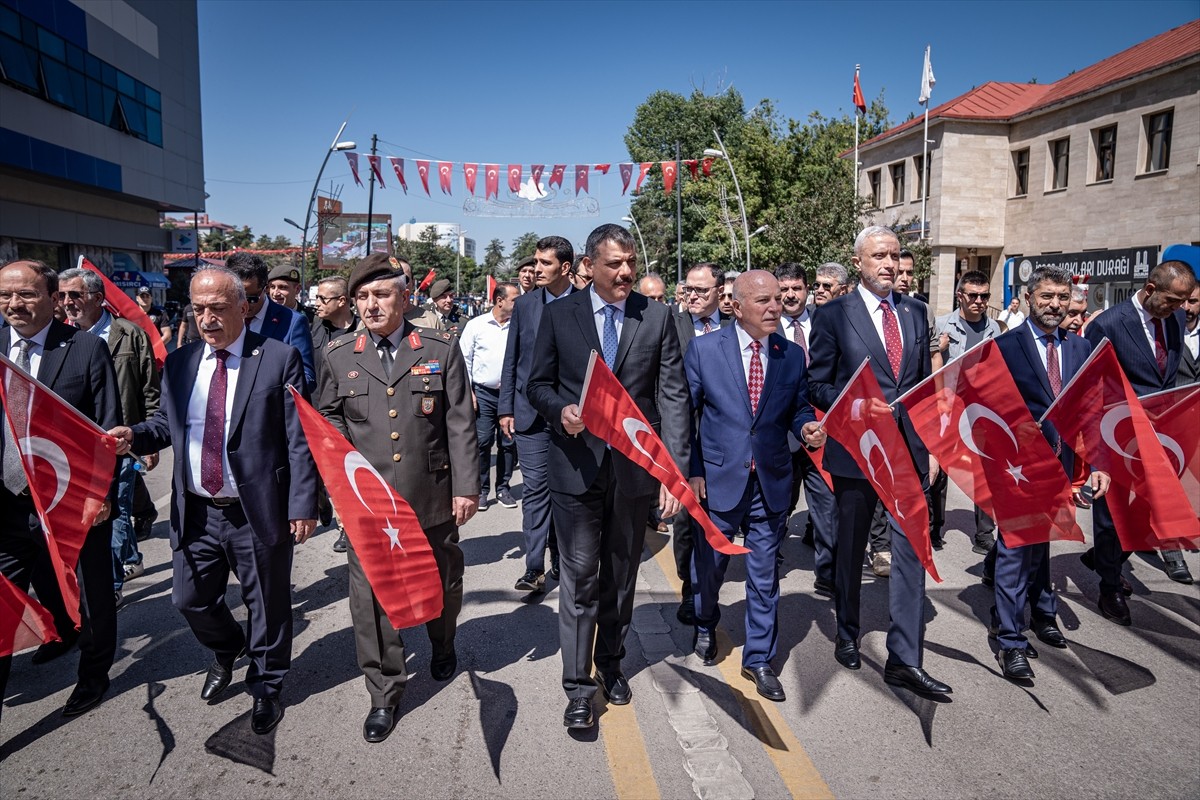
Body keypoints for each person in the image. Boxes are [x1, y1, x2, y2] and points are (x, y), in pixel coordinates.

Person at [108, 266, 317, 735]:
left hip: (256, 507)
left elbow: (297, 437)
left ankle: (267, 686)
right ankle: (227, 647)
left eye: (218, 308)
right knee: (189, 599)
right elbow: (167, 423)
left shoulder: (278, 358)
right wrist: (135, 436)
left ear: (243, 308)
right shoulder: (181, 362)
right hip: (197, 509)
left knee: (268, 603)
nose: (207, 319)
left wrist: (303, 503)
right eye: (198, 309)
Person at [527, 223, 688, 730]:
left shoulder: (657, 317)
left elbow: (673, 397)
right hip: (575, 468)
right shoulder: (558, 316)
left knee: (621, 575)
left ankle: (611, 666)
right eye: (614, 264)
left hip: (635, 472)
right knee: (579, 578)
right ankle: (577, 687)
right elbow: (537, 385)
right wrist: (562, 411)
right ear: (589, 268)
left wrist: (673, 473)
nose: (625, 272)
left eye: (630, 262)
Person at [318, 253, 477, 743]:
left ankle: (442, 640)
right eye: (362, 296)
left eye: (381, 294)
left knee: (443, 578)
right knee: (369, 598)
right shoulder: (338, 354)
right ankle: (384, 691)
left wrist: (467, 486)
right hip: (369, 504)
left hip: (430, 493)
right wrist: (342, 483)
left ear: (404, 297)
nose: (370, 304)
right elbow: (329, 420)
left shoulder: (439, 346)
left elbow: (458, 420)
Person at [808, 226, 951, 696]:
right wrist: (853, 404)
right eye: (879, 256)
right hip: (856, 451)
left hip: (907, 452)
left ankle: (905, 657)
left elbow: (920, 387)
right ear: (859, 262)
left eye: (894, 256)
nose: (889, 264)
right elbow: (817, 384)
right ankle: (847, 633)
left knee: (912, 550)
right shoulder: (833, 315)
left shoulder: (915, 312)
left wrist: (930, 448)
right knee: (849, 551)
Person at [686, 271, 825, 701]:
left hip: (771, 478)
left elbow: (799, 408)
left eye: (779, 300)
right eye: (763, 300)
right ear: (737, 304)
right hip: (718, 478)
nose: (774, 307)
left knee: (764, 574)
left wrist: (807, 430)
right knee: (710, 565)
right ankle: (706, 621)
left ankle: (759, 657)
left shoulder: (791, 355)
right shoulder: (705, 349)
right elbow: (687, 416)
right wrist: (692, 471)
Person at [1, 259, 121, 720]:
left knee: (90, 594)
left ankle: (93, 676)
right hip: (6, 504)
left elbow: (105, 426)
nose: (15, 304)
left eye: (27, 295)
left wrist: (101, 494)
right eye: (6, 296)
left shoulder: (86, 349)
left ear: (54, 299)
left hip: (72, 500)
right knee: (5, 600)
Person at [987, 266, 1109, 681]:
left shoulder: (1078, 349)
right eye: (1046, 297)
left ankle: (1042, 613)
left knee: (1042, 545)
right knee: (1014, 549)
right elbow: (985, 410)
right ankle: (1009, 639)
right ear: (1028, 298)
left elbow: (1093, 410)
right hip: (1017, 468)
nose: (1055, 305)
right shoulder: (1004, 346)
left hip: (1062, 467)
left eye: (1061, 297)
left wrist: (1098, 466)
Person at [1081, 257, 1197, 624]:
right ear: (1150, 290)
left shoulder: (1175, 319)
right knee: (1111, 513)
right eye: (1174, 301)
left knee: (1149, 511)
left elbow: (1169, 377)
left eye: (1185, 302)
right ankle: (1110, 587)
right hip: (1117, 436)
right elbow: (1093, 392)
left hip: (1160, 435)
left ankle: (1105, 557)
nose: (1182, 309)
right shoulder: (1107, 325)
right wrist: (1097, 456)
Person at [59, 268, 161, 603]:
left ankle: (112, 587)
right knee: (99, 511)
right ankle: (131, 558)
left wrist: (149, 438)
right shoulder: (59, 339)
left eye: (76, 295)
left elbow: (149, 387)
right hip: (76, 446)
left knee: (115, 509)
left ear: (99, 299)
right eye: (62, 296)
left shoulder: (128, 334)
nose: (67, 303)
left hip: (120, 440)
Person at [500, 237, 575, 594]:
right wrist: (505, 408)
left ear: (565, 268)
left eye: (545, 263)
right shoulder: (526, 305)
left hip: (570, 417)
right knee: (534, 491)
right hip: (529, 416)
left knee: (566, 490)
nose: (536, 269)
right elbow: (512, 359)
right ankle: (534, 568)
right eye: (535, 262)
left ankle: (562, 556)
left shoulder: (584, 304)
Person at [774, 263, 840, 586]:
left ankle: (827, 574)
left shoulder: (827, 322)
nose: (790, 295)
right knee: (779, 503)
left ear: (806, 289)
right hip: (781, 434)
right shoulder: (766, 327)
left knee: (826, 504)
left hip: (820, 429)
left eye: (796, 288)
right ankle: (769, 560)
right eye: (783, 289)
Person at [670, 263, 728, 624]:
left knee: (714, 520)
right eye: (689, 289)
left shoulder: (736, 328)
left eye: (702, 291)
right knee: (684, 519)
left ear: (720, 293)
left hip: (722, 442)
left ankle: (704, 589)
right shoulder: (671, 327)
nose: (692, 296)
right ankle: (688, 588)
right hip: (682, 438)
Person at [929, 271, 1001, 554]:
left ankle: (985, 533)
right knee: (940, 470)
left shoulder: (994, 329)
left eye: (985, 296)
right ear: (960, 295)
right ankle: (934, 526)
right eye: (973, 295)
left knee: (985, 472)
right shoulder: (942, 325)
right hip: (947, 407)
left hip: (981, 410)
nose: (979, 301)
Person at [309, 274, 362, 553]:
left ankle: (346, 529)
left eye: (322, 298)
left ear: (342, 301)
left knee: (345, 473)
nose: (316, 303)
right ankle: (320, 499)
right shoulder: (313, 327)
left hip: (351, 414)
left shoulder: (363, 329)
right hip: (317, 412)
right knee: (317, 472)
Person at [1157, 244, 1200, 584]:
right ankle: (1172, 553)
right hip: (1162, 423)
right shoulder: (1164, 330)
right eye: (1181, 302)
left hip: (1193, 427)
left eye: (1193, 302)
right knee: (1165, 488)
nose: (1186, 308)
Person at [460, 282, 519, 511]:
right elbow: (464, 360)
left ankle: (503, 488)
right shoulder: (476, 326)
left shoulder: (518, 326)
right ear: (499, 300)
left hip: (510, 395)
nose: (518, 303)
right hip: (483, 394)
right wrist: (469, 393)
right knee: (483, 442)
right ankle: (483, 490)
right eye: (514, 299)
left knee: (508, 442)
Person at [225, 251, 316, 391]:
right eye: (236, 297)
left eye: (251, 299)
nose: (243, 306)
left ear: (264, 289)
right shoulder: (223, 317)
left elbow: (307, 378)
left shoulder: (292, 322)